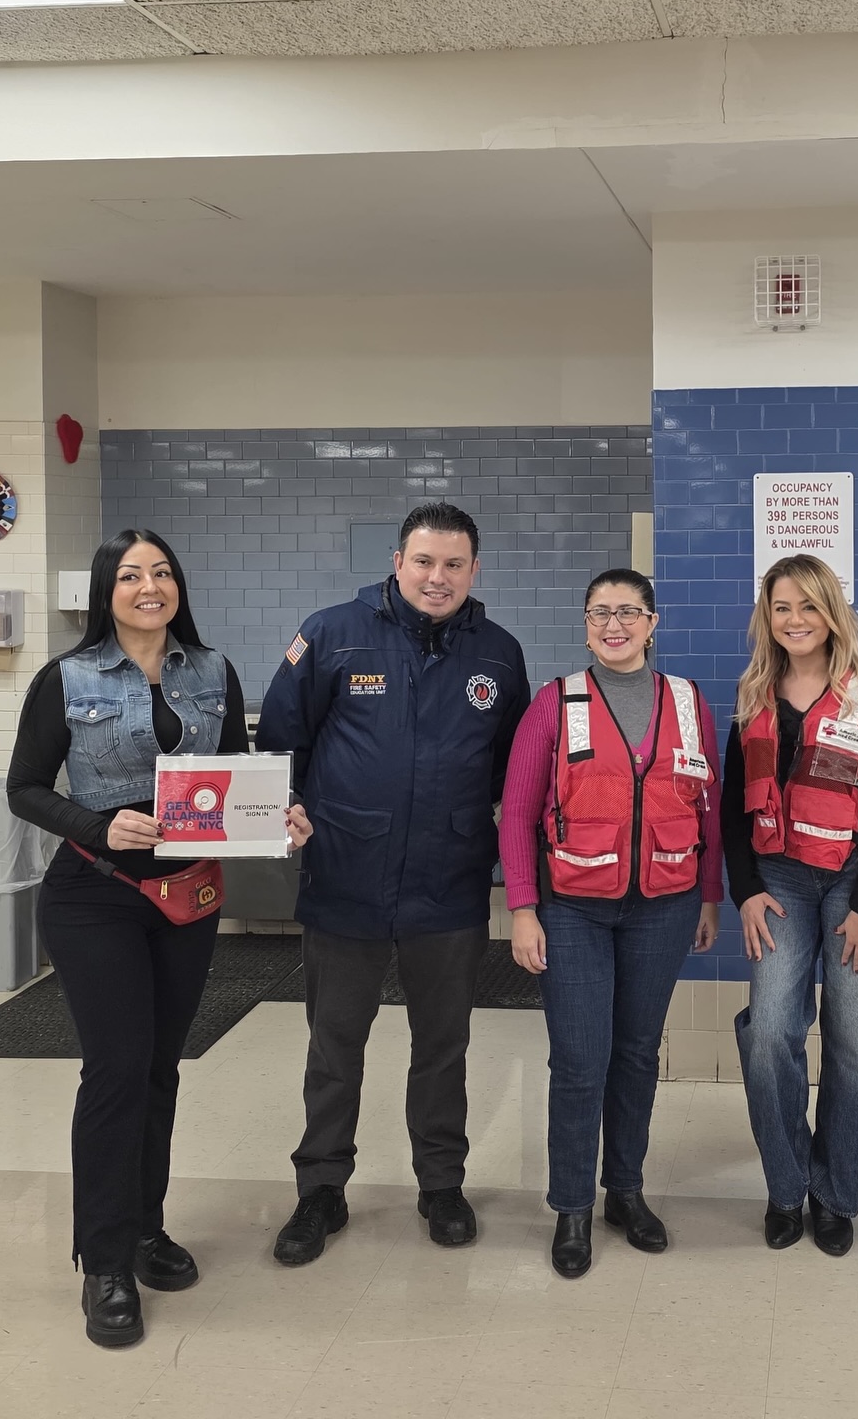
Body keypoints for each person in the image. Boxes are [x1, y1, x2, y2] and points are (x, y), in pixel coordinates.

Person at [6, 530, 313, 1349]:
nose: (150, 586)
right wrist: (98, 826)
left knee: (158, 1070)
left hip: (188, 898)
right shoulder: (67, 678)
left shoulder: (211, 671)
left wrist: (278, 812)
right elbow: (25, 788)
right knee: (116, 1072)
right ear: (106, 590)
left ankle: (145, 1228)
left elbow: (237, 772)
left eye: (163, 572)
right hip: (94, 895)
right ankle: (104, 1261)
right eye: (132, 575)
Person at [257, 501, 528, 1264]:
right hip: (346, 879)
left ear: (474, 570)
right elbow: (279, 743)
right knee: (334, 1045)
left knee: (442, 1046)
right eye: (424, 561)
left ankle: (441, 1184)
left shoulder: (499, 654)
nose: (437, 577)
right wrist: (287, 808)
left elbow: (513, 769)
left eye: (453, 564)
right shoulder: (332, 635)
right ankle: (321, 1189)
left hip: (449, 885)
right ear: (398, 562)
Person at [500, 569, 723, 1277]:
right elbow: (518, 812)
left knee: (635, 1054)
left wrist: (710, 896)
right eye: (600, 612)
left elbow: (709, 807)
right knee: (579, 1060)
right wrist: (523, 909)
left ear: (654, 623)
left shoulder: (687, 701)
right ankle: (572, 1206)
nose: (613, 625)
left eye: (628, 612)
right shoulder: (555, 702)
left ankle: (625, 1191)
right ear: (586, 624)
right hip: (572, 910)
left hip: (666, 905)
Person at [722, 554, 858, 1257]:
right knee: (771, 1030)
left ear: (833, 614)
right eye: (782, 607)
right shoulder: (753, 696)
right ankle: (786, 1185)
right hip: (779, 880)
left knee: (854, 1044)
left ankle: (835, 1196)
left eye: (809, 606)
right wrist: (745, 891)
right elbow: (731, 809)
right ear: (766, 618)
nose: (795, 620)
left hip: (856, 882)